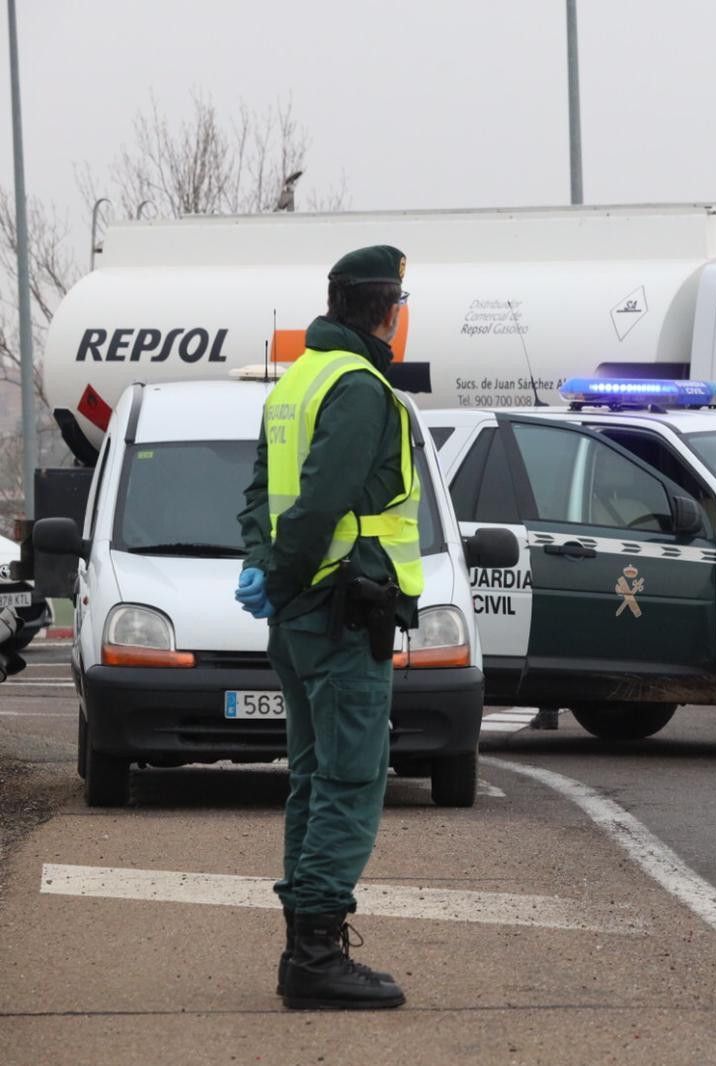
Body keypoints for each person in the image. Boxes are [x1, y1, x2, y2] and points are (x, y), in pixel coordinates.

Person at [236, 245, 421, 1010]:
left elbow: (259, 494)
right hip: (342, 611)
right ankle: (314, 957)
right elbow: (318, 502)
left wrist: (263, 569)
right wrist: (282, 574)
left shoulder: (299, 380)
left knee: (314, 778)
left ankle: (302, 947)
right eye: (401, 306)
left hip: (299, 616)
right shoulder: (360, 387)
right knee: (349, 779)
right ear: (386, 311)